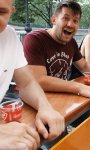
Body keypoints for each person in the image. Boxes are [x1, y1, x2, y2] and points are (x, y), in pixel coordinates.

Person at [23, 1, 90, 109]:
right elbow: (40, 80)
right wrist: (80, 88)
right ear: (54, 20)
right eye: (66, 18)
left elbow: (84, 66)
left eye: (75, 21)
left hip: (63, 97)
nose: (70, 24)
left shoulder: (71, 42)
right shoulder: (34, 39)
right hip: (38, 103)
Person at [0, 0, 65, 149]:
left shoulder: (9, 36)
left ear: (11, 12)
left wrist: (45, 107)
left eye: (1, 12)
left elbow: (27, 83)